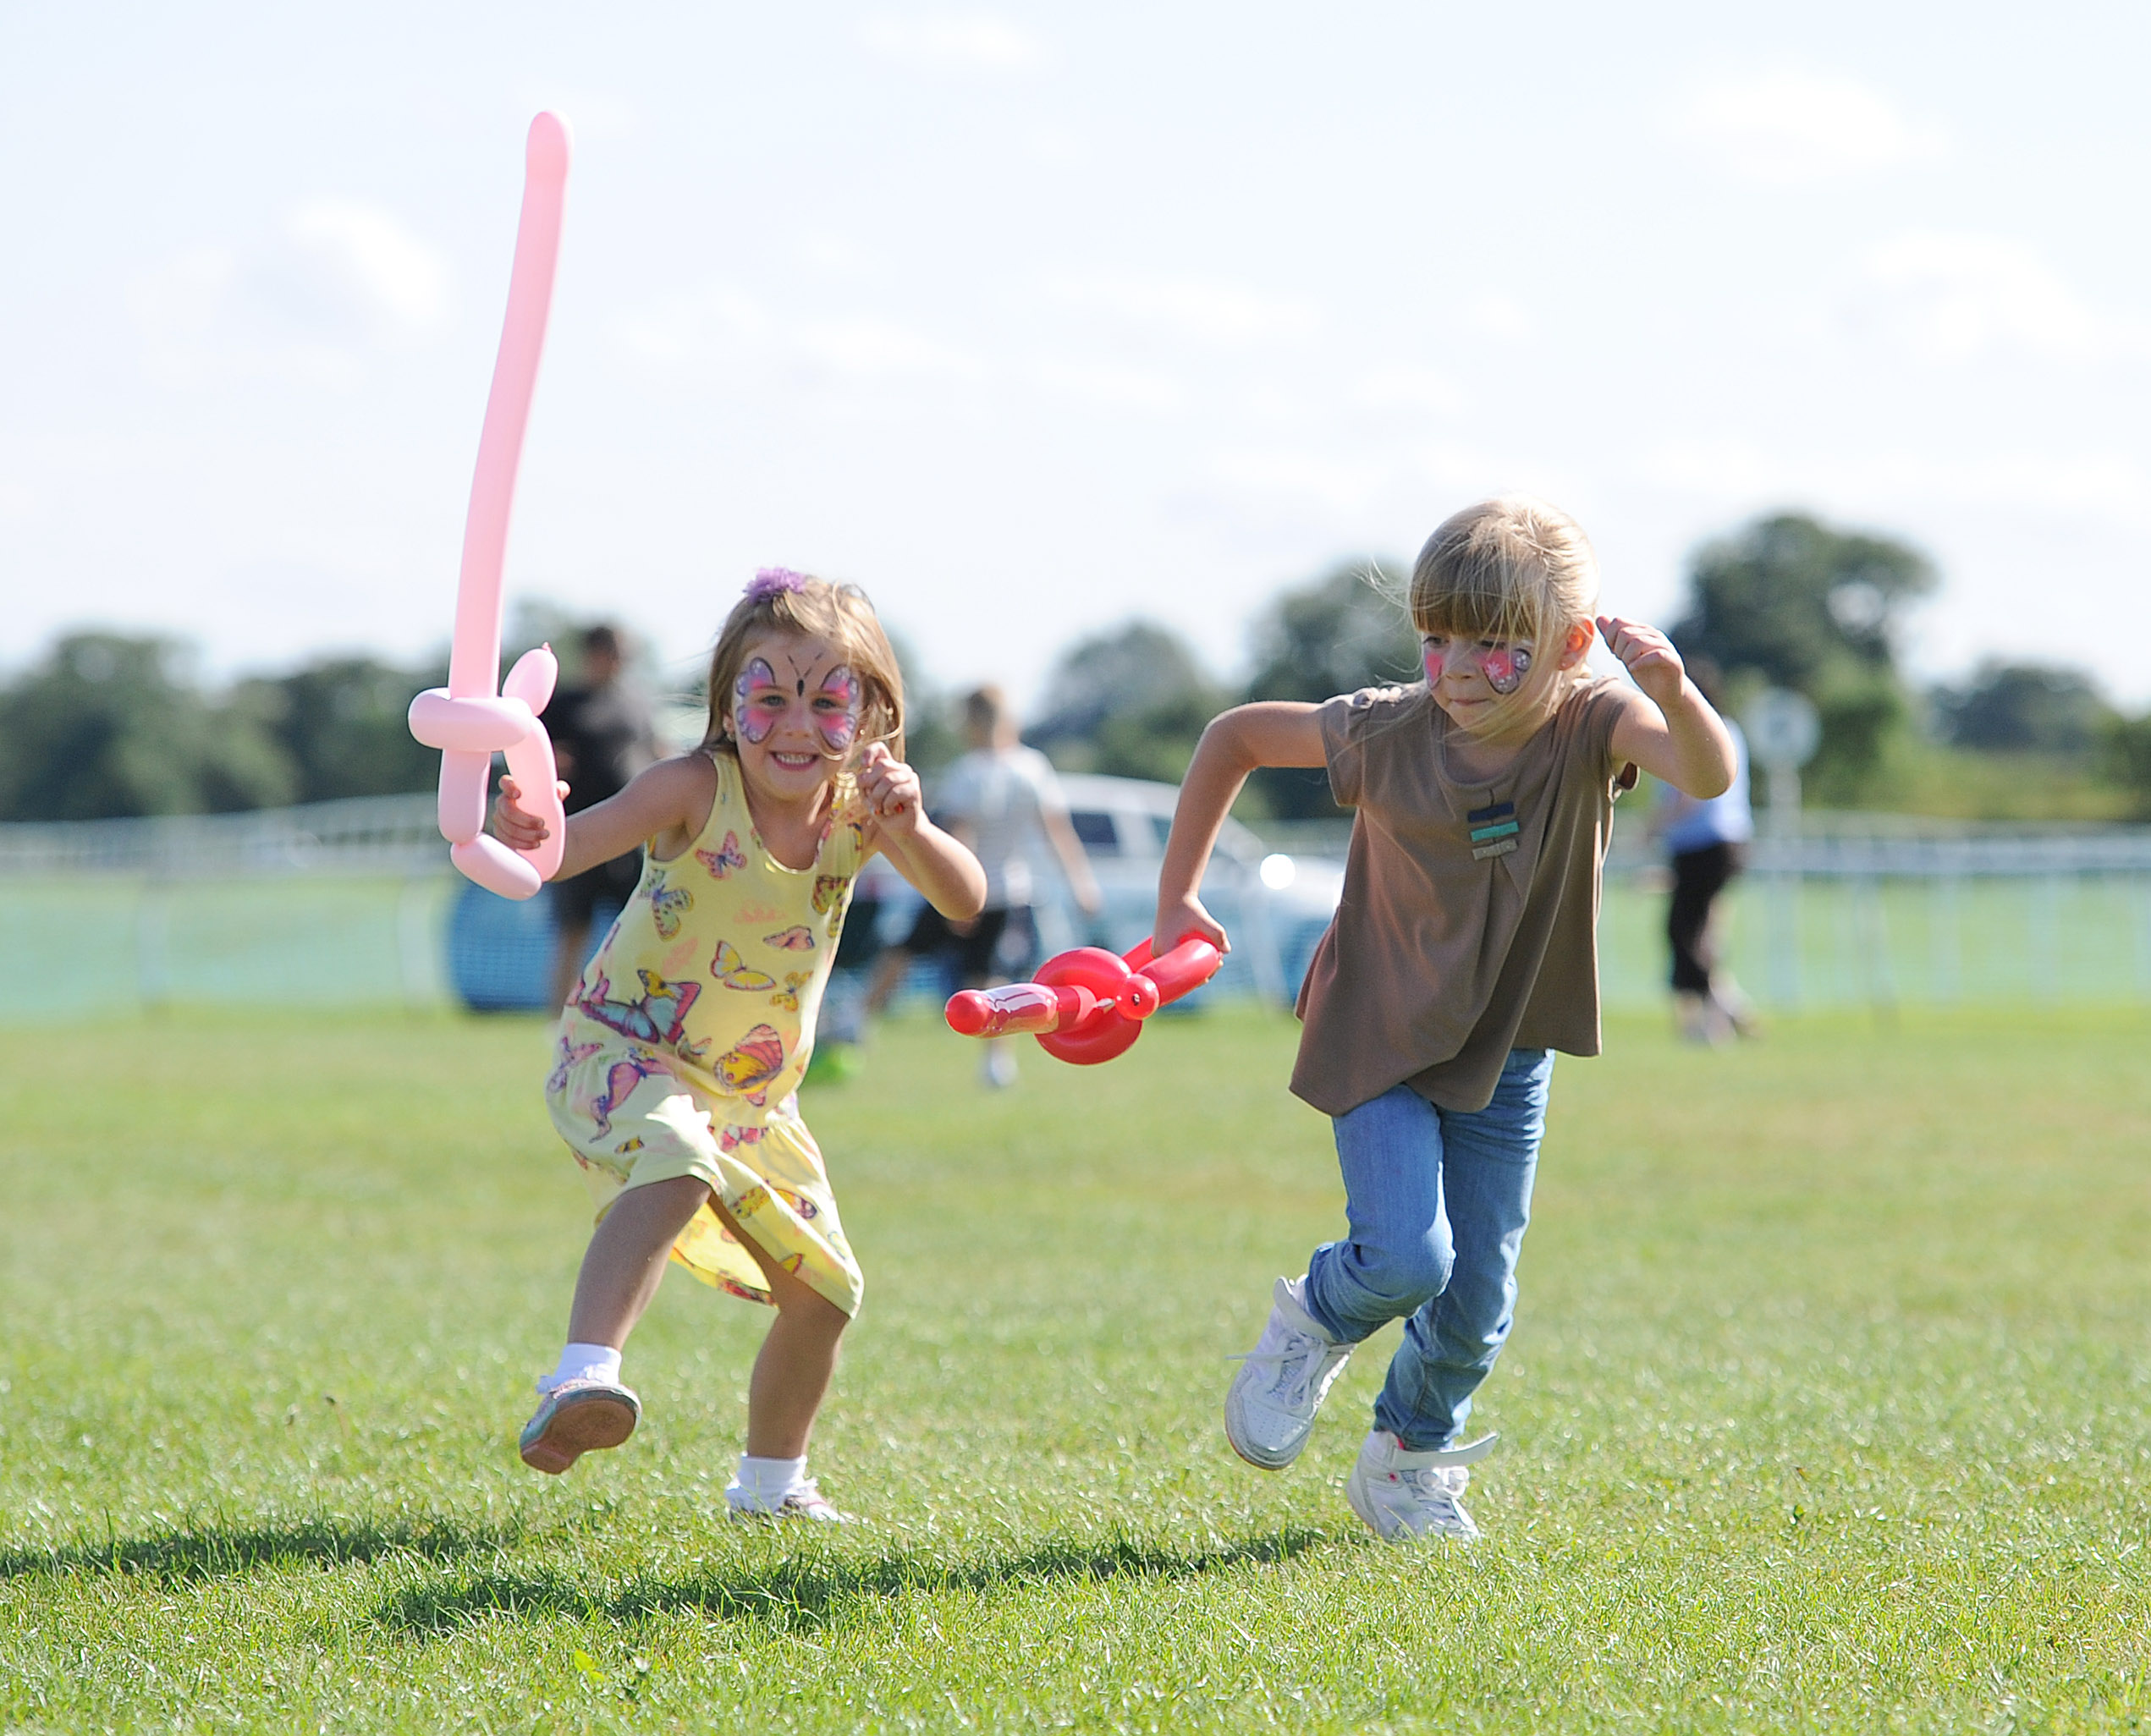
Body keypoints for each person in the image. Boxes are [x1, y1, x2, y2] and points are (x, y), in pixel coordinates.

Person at [1151, 497, 1737, 1544]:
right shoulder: (1387, 728)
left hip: (1507, 1053)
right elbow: (1232, 737)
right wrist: (1176, 899)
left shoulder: (1593, 723)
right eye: (1436, 639)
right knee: (1406, 1259)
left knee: (1478, 1298)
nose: (1457, 669)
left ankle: (1407, 1458)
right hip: (1374, 1029)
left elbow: (1705, 771)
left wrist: (1675, 693)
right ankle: (1314, 1318)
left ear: (1565, 648)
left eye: (1493, 647)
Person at [491, 569, 985, 1520]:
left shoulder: (860, 815)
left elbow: (963, 900)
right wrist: (522, 823)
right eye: (769, 699)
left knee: (826, 1292)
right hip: (622, 1050)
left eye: (827, 701)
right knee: (676, 1156)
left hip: (751, 1099)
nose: (797, 727)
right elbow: (550, 854)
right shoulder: (690, 788)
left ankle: (769, 1492)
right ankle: (579, 1377)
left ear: (873, 714)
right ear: (727, 706)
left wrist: (912, 826)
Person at [866, 685, 1102, 1086]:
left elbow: (961, 836)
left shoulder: (969, 772)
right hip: (1009, 891)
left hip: (967, 891)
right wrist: (1082, 883)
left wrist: (960, 899)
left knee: (908, 956)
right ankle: (995, 1062)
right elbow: (1057, 832)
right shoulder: (1034, 767)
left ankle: (856, 1025)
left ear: (972, 722)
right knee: (989, 974)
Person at [543, 624, 662, 1010]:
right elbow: (537, 757)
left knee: (643, 925)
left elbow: (656, 749)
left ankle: (639, 1008)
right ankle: (557, 1018)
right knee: (572, 931)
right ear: (593, 654)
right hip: (578, 831)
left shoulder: (636, 703)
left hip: (631, 833)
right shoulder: (563, 704)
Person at [1653, 660, 1757, 1043]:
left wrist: (1653, 827)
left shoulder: (1690, 733)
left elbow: (1691, 794)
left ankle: (1718, 1012)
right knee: (1705, 933)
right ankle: (1726, 1010)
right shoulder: (1731, 729)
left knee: (1683, 932)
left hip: (1701, 845)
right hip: (1731, 842)